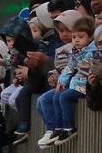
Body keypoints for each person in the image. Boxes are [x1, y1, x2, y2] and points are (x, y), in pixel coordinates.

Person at [36, 15, 96, 146]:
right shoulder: (76, 51)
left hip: (86, 86)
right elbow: (70, 67)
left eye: (81, 37)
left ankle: (68, 128)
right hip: (76, 84)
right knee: (57, 95)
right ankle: (57, 128)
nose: (76, 40)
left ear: (90, 37)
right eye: (74, 37)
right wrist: (61, 80)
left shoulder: (93, 51)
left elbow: (92, 70)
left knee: (64, 97)